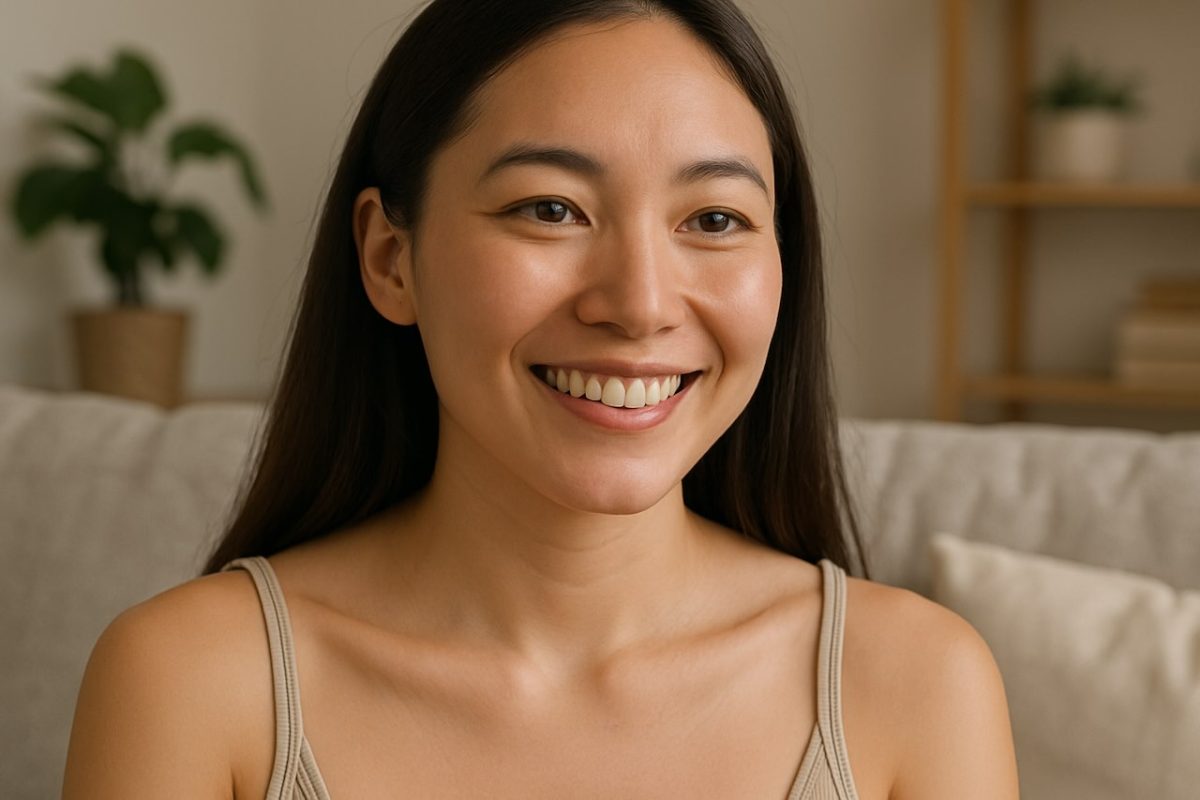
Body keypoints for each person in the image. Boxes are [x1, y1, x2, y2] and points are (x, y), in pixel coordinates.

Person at [63, 1, 1019, 797]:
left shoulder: (918, 685)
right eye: (549, 209)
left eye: (716, 219)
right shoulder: (193, 682)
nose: (640, 303)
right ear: (392, 259)